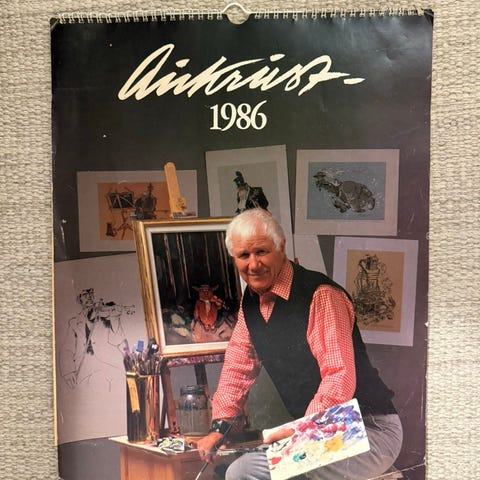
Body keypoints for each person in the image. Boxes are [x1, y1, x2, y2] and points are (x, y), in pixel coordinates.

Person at [196, 209, 403, 480]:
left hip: (368, 429)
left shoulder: (321, 295)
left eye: (261, 252)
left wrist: (301, 433)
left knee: (244, 471)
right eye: (244, 255)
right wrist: (219, 427)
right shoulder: (251, 301)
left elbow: (338, 378)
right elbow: (238, 367)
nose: (253, 265)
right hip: (320, 432)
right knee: (242, 468)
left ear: (281, 246)